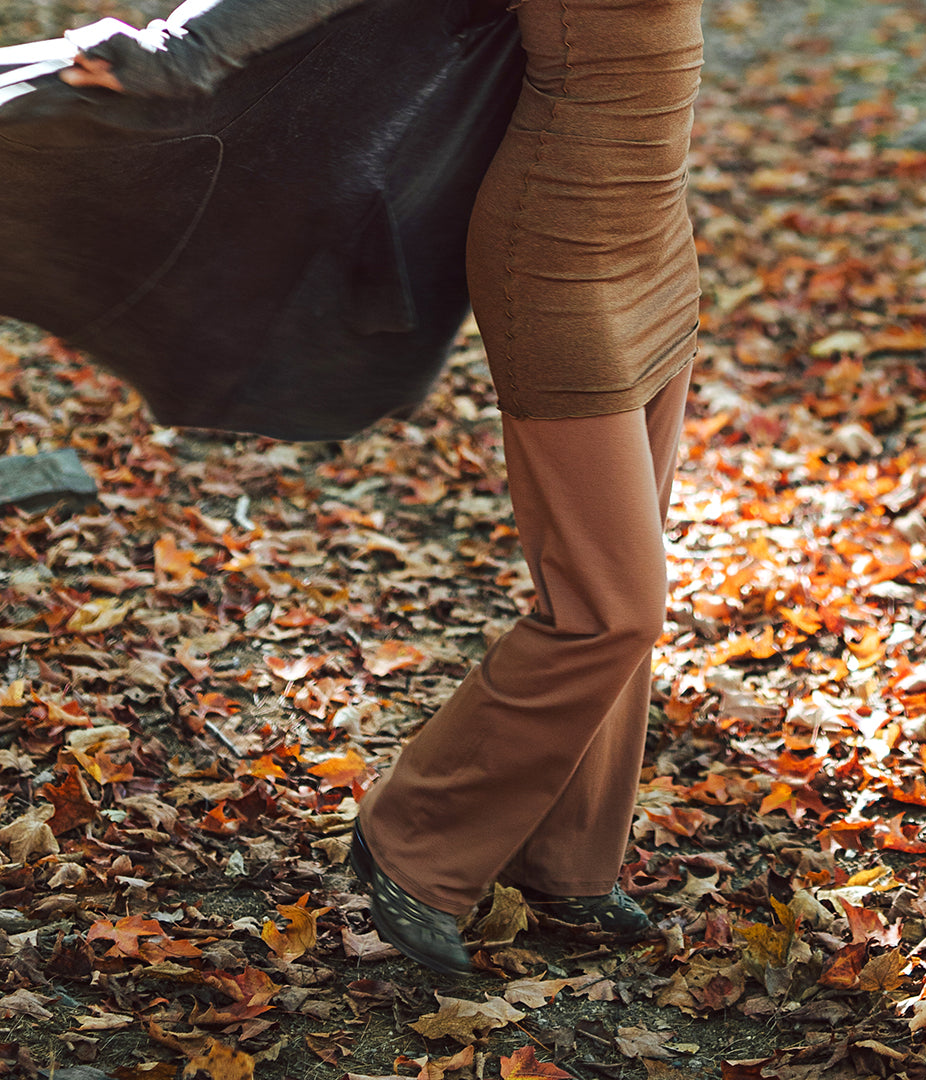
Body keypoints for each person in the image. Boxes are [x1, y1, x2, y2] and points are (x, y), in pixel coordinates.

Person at [63, 0, 704, 976]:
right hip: (559, 252)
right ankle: (415, 843)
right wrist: (179, 48)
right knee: (611, 607)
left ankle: (564, 860)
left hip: (656, 239)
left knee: (627, 563)